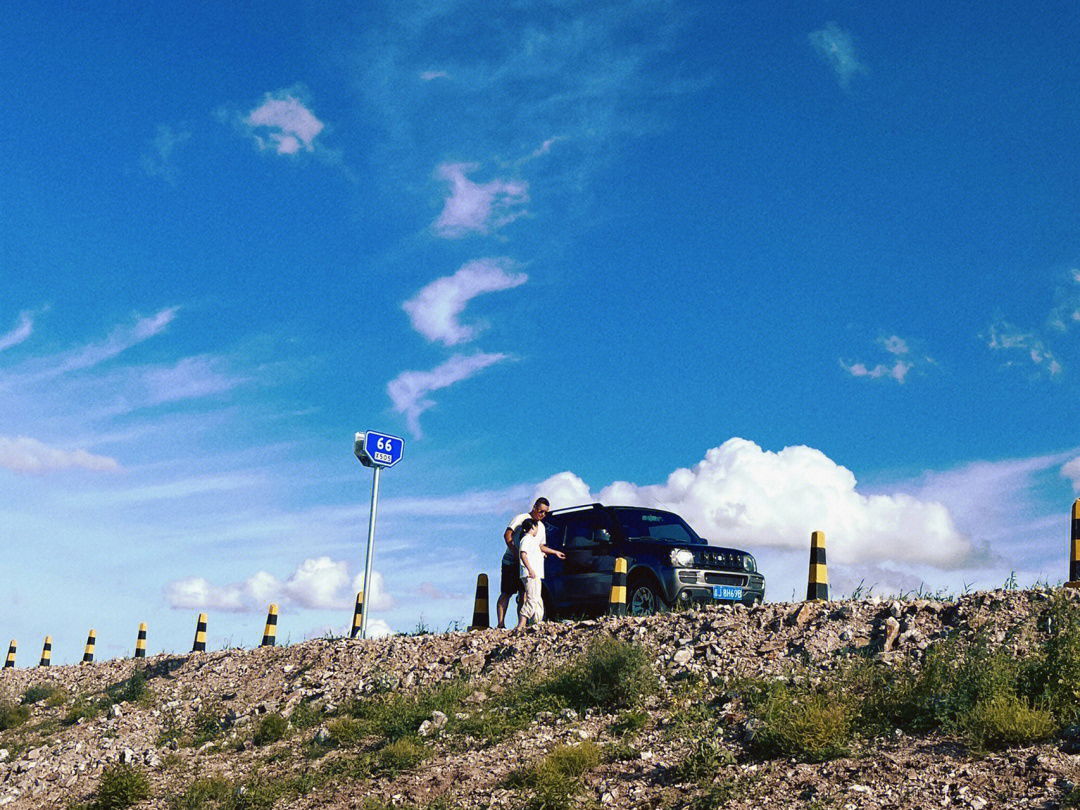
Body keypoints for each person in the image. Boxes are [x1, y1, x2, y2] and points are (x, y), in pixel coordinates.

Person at [497, 497, 559, 628]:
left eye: (545, 512)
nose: (543, 514)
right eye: (541, 511)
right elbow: (507, 534)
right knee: (507, 592)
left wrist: (553, 552)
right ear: (535, 508)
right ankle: (501, 624)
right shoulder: (521, 519)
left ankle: (522, 624)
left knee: (523, 594)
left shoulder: (541, 527)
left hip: (527, 565)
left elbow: (540, 545)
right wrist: (515, 553)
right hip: (511, 561)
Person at [515, 517, 563, 629]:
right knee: (532, 598)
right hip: (530, 573)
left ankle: (537, 621)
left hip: (536, 574)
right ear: (533, 527)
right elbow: (523, 554)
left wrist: (550, 553)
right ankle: (521, 623)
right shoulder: (526, 539)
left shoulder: (532, 541)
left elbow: (537, 552)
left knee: (538, 599)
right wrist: (530, 569)